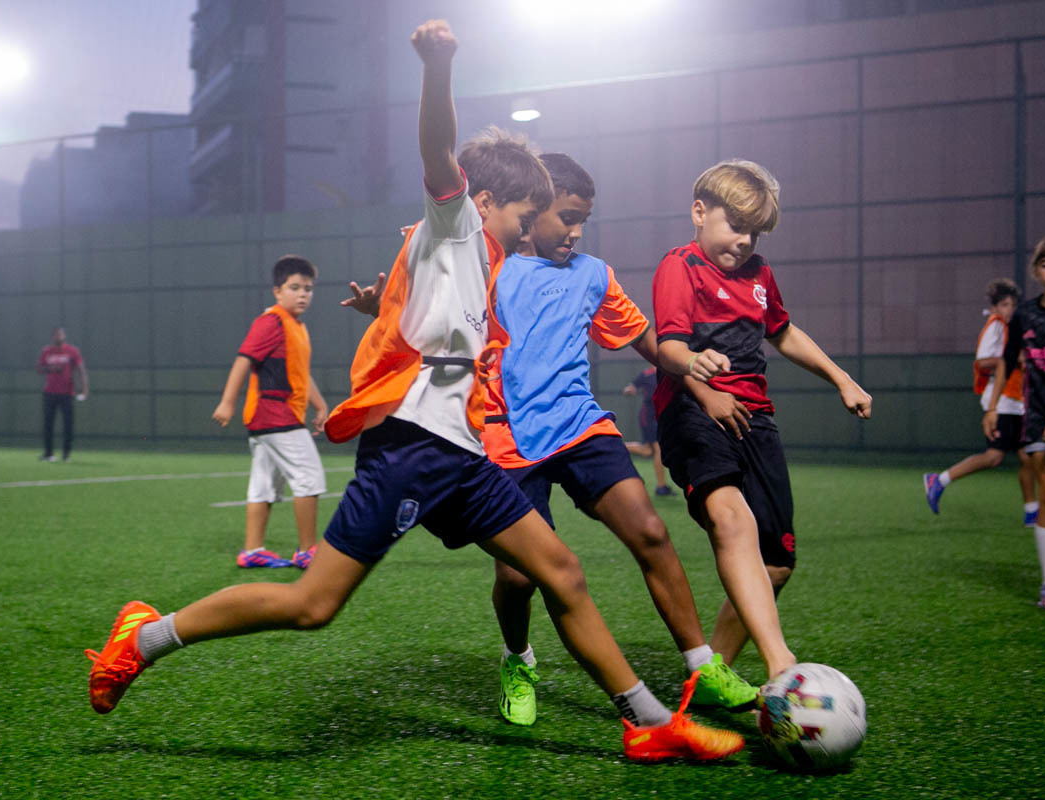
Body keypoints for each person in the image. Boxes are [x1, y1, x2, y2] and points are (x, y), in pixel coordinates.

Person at [86, 20, 742, 764]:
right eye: (523, 216)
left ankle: (649, 721)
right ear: (485, 201)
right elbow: (438, 152)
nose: (528, 230)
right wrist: (438, 64)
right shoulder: (459, 223)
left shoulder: (484, 260)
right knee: (313, 605)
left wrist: (388, 309)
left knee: (559, 570)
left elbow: (428, 316)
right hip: (411, 446)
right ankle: (144, 638)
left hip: (461, 455)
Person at [478, 152, 757, 726]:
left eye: (584, 220)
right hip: (504, 438)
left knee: (650, 531)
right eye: (567, 217)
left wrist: (696, 377)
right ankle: (517, 659)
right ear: (532, 211)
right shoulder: (490, 269)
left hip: (579, 425)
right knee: (517, 575)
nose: (577, 232)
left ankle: (703, 667)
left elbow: (646, 340)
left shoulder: (593, 275)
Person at [652, 159, 872, 679]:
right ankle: (781, 663)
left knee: (776, 564)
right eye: (735, 226)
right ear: (700, 212)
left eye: (754, 232)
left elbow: (783, 332)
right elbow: (667, 348)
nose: (745, 241)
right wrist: (697, 368)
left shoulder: (760, 274)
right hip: (694, 412)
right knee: (733, 520)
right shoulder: (680, 266)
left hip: (755, 419)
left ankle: (712, 677)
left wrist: (842, 378)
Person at [212, 255, 329, 570]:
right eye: (295, 287)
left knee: (263, 484)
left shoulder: (297, 327)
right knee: (309, 477)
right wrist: (227, 401)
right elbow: (243, 360)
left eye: (308, 288)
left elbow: (300, 373)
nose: (303, 294)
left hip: (273, 419)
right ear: (277, 291)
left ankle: (253, 551)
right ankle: (307, 551)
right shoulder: (271, 322)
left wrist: (319, 405)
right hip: (276, 416)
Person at [984, 232, 1045, 612]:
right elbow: (1006, 361)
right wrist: (993, 407)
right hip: (1040, 416)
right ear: (1036, 270)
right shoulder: (1024, 315)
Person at [924, 278, 1038, 523]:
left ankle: (1033, 511)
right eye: (1004, 304)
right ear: (995, 307)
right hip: (1000, 401)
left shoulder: (1011, 327)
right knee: (994, 456)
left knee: (1027, 456)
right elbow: (982, 360)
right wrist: (1010, 359)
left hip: (1017, 400)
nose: (1009, 309)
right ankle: (938, 480)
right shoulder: (995, 325)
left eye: (1012, 305)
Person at [36, 326, 87, 462]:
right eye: (56, 334)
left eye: (61, 334)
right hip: (49, 392)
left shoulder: (72, 351)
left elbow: (81, 369)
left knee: (68, 424)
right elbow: (39, 369)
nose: (58, 336)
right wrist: (50, 368)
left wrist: (84, 389)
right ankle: (49, 454)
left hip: (67, 393)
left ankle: (66, 454)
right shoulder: (46, 351)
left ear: (64, 336)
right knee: (48, 424)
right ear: (52, 337)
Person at [622, 366, 674, 497]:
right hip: (649, 417)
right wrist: (630, 390)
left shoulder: (670, 372)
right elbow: (631, 387)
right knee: (658, 450)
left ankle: (617, 446)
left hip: (662, 416)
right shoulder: (646, 374)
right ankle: (661, 487)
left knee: (648, 451)